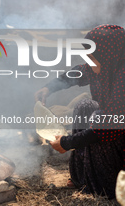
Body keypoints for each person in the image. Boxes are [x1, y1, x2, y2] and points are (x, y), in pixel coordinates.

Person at [34, 24, 125, 199]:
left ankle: (105, 185)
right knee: (85, 106)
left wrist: (67, 143)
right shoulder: (105, 66)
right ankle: (83, 177)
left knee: (99, 118)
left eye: (92, 59)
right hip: (111, 127)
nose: (88, 64)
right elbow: (77, 73)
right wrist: (48, 88)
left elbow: (106, 128)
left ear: (109, 57)